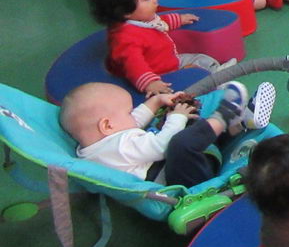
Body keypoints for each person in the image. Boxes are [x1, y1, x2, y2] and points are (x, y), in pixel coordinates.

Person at [61, 79, 275, 187]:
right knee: (180, 141)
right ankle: (225, 117)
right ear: (107, 125)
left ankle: (240, 125)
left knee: (187, 129)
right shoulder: (119, 145)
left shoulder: (92, 149)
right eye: (128, 111)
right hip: (185, 179)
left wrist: (154, 103)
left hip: (186, 164)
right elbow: (161, 146)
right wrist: (176, 117)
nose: (133, 115)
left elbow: (130, 124)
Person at [90, 0, 224, 95]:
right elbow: (133, 64)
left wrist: (178, 19)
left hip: (168, 60)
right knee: (198, 72)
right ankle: (217, 82)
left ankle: (219, 73)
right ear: (125, 11)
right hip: (160, 74)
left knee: (204, 59)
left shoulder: (140, 19)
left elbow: (158, 23)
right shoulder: (124, 37)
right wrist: (150, 83)